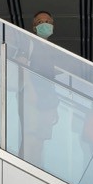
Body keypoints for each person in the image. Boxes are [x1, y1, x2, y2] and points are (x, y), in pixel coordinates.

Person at [15, 10, 60, 165]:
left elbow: (51, 79)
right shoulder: (29, 42)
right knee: (30, 137)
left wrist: (54, 105)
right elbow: (22, 63)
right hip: (31, 95)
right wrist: (30, 90)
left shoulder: (51, 49)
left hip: (47, 99)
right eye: (40, 22)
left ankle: (35, 171)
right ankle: (22, 171)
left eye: (47, 21)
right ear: (34, 27)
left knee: (41, 140)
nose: (44, 24)